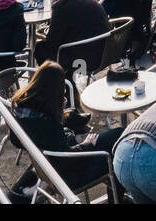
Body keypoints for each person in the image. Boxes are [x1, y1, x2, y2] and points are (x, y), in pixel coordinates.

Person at [9, 61, 121, 203]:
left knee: (116, 135)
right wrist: (87, 145)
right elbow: (65, 159)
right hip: (66, 176)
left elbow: (16, 141)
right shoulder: (47, 124)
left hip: (44, 165)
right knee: (118, 149)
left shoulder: (20, 107)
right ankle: (116, 199)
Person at [34, 0, 110, 66]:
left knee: (40, 48)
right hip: (105, 51)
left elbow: (52, 42)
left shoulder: (61, 7)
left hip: (85, 60)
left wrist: (46, 31)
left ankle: (55, 79)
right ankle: (67, 78)